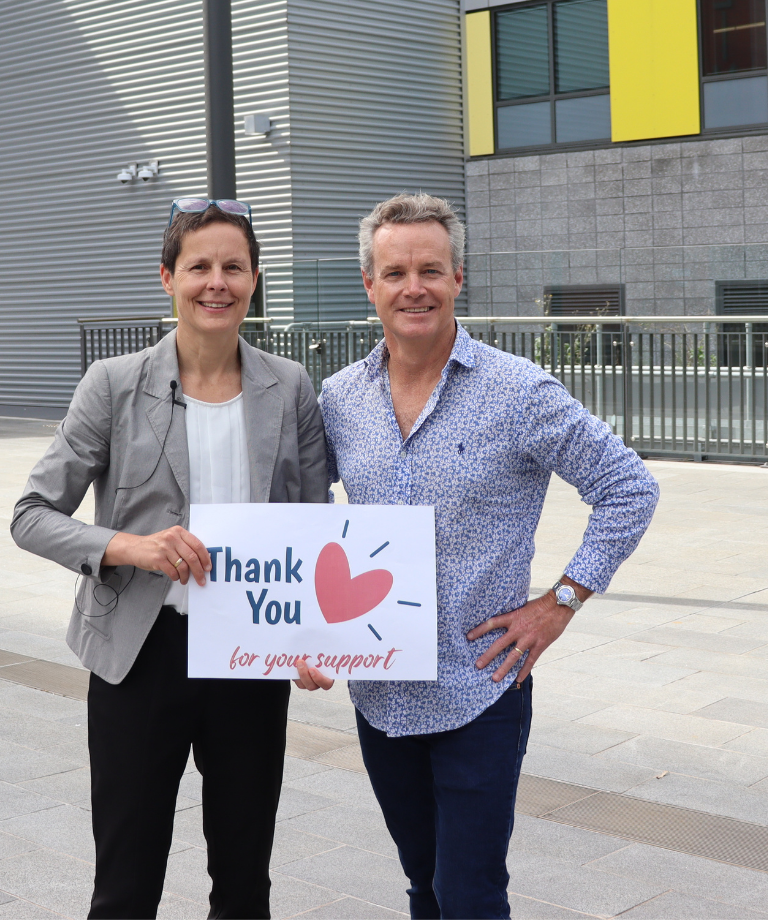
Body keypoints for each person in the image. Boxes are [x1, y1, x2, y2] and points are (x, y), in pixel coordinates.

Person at [296, 192, 660, 920]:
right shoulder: (338, 398)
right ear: (369, 285)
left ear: (459, 278)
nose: (414, 288)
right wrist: (305, 634)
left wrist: (560, 602)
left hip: (480, 688)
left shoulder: (518, 390)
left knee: (470, 895)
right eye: (395, 272)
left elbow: (629, 487)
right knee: (423, 884)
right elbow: (300, 517)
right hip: (382, 694)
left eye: (431, 269)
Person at [12, 197, 327, 920]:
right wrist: (130, 546)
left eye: (233, 267)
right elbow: (30, 517)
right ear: (167, 277)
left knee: (246, 881)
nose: (216, 282)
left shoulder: (290, 388)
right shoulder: (113, 385)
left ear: (254, 280)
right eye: (199, 267)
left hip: (250, 656)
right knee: (126, 882)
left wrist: (313, 635)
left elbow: (314, 528)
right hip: (139, 657)